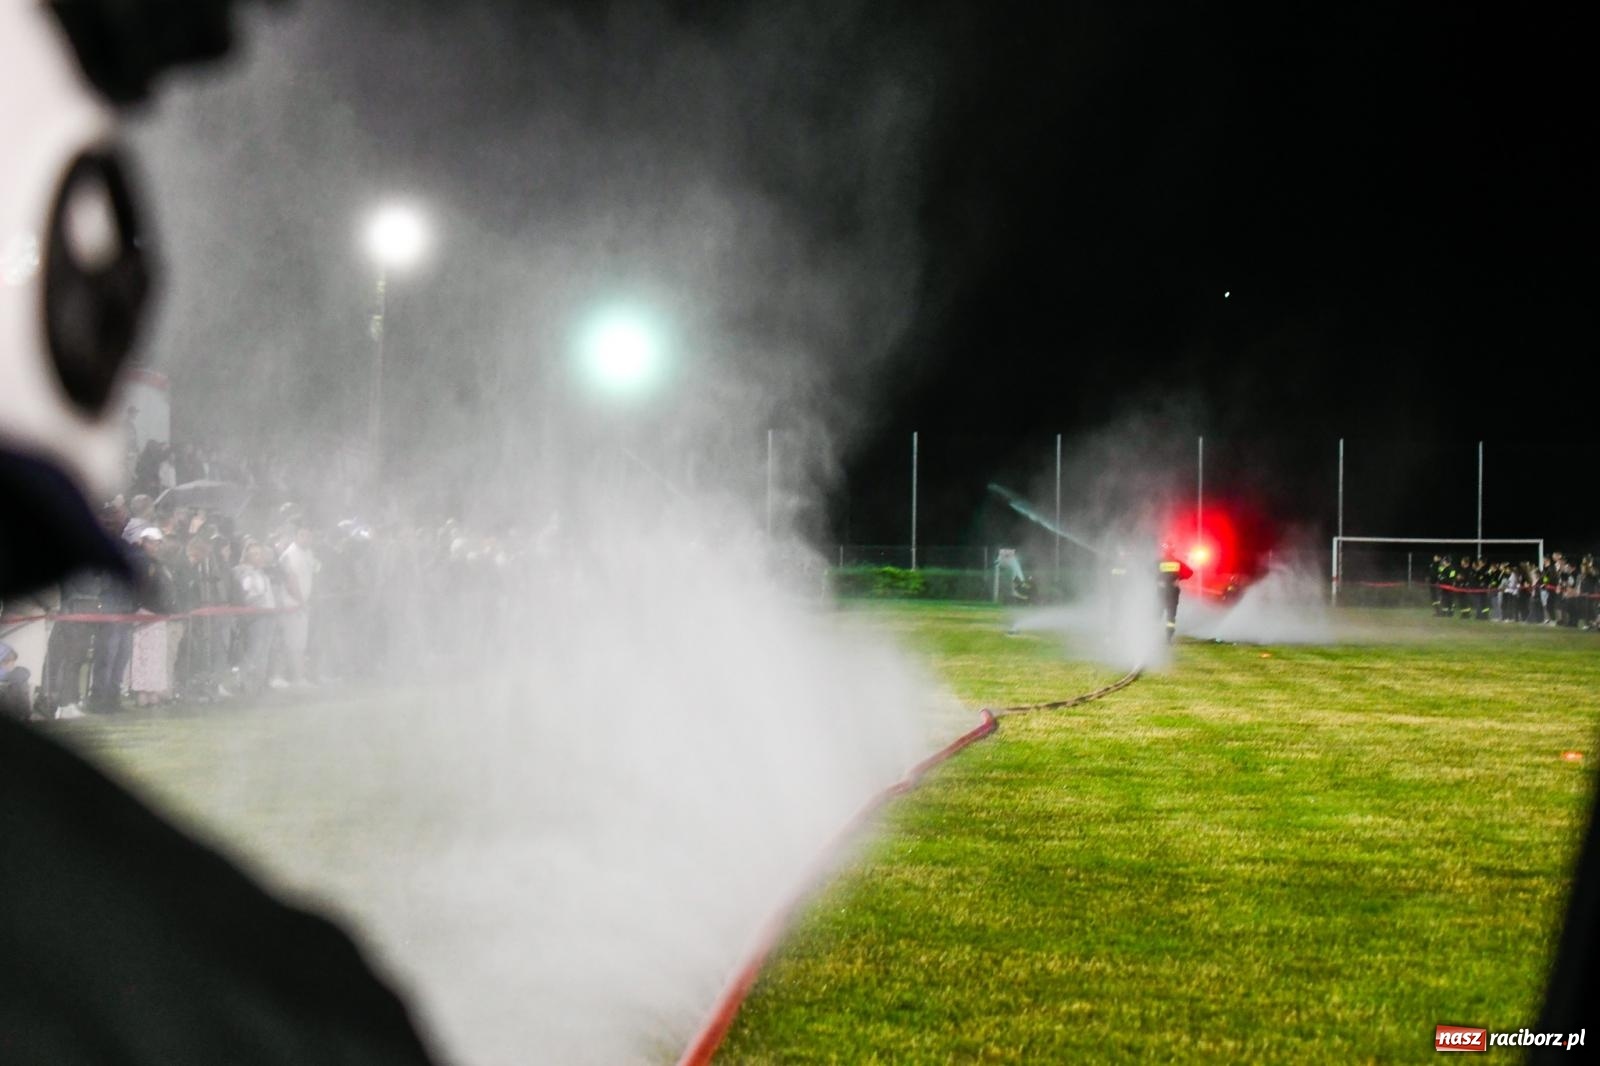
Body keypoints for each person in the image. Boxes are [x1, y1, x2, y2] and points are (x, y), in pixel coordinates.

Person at [1157, 543, 1195, 643]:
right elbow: (1190, 572)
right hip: (1171, 592)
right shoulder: (1177, 562)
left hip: (1167, 592)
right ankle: (1167, 638)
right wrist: (1179, 579)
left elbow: (1190, 572)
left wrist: (1158, 581)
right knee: (1169, 615)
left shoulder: (1159, 562)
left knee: (1161, 614)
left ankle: (1165, 638)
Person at [0, 640, 30, 721]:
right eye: (8, 662)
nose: (12, 665)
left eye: (13, 661)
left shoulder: (18, 678)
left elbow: (24, 708)